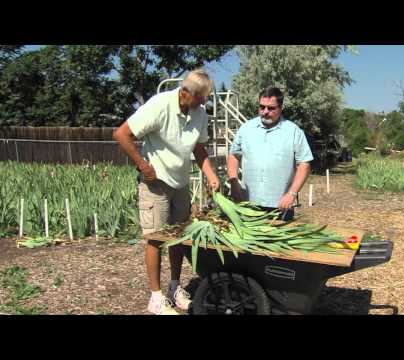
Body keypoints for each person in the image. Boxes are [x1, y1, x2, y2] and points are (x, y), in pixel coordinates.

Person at [113, 69, 220, 315]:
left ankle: (174, 287)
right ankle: (156, 297)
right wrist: (142, 165)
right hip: (156, 185)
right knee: (155, 239)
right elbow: (121, 134)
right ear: (185, 93)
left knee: (178, 238)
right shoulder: (160, 105)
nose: (204, 103)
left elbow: (199, 148)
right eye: (200, 98)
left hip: (180, 184)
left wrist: (212, 175)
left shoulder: (199, 113)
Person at [227, 87, 313, 220]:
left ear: (281, 108)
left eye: (271, 108)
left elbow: (304, 165)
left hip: (281, 207)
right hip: (248, 205)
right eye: (262, 107)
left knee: (280, 241)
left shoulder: (293, 131)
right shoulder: (246, 129)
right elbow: (233, 155)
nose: (265, 112)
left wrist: (292, 194)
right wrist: (234, 183)